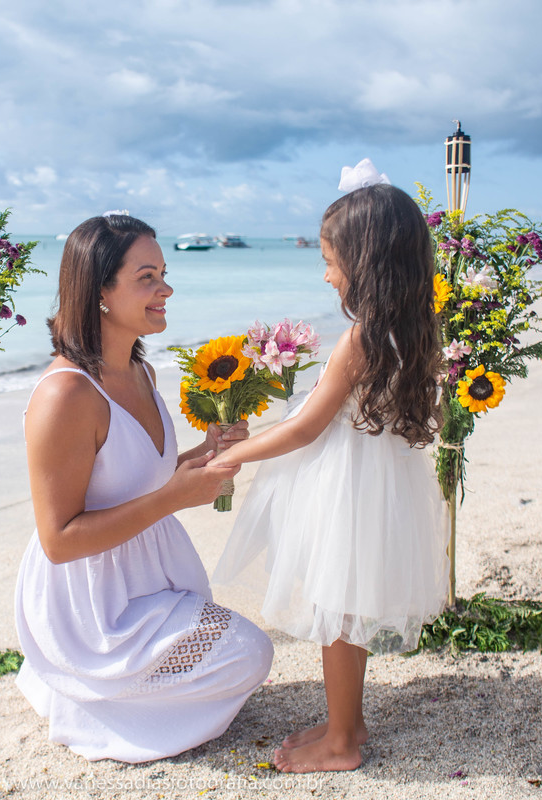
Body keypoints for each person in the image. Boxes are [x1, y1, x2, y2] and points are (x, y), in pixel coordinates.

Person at [14, 213, 274, 763]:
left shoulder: (142, 373)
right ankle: (85, 693)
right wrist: (174, 497)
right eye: (147, 277)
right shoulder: (65, 396)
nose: (166, 289)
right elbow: (58, 539)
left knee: (246, 656)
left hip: (149, 576)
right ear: (99, 292)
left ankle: (107, 693)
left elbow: (135, 476)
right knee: (251, 654)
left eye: (164, 273)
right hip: (93, 603)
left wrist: (201, 456)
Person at [210, 181, 449, 773]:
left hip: (346, 486)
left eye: (329, 260)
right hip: (378, 481)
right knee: (348, 598)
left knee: (336, 604)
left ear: (364, 261)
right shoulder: (412, 326)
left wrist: (233, 457)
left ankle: (342, 742)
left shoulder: (361, 338)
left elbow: (306, 428)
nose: (325, 276)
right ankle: (351, 718)